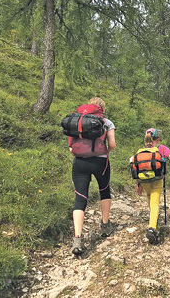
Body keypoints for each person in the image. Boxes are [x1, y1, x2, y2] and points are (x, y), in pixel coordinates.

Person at [70, 97, 116, 255]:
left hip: (79, 163)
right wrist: (102, 152)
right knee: (104, 190)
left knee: (80, 198)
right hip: (100, 163)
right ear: (102, 108)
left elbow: (70, 147)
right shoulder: (107, 122)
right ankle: (105, 225)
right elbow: (112, 145)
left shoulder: (78, 120)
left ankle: (77, 238)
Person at [134, 128, 170, 245]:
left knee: (150, 199)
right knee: (155, 203)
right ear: (158, 138)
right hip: (157, 181)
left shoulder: (141, 151)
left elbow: (137, 167)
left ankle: (153, 220)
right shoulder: (161, 148)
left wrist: (138, 185)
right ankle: (152, 228)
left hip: (144, 182)